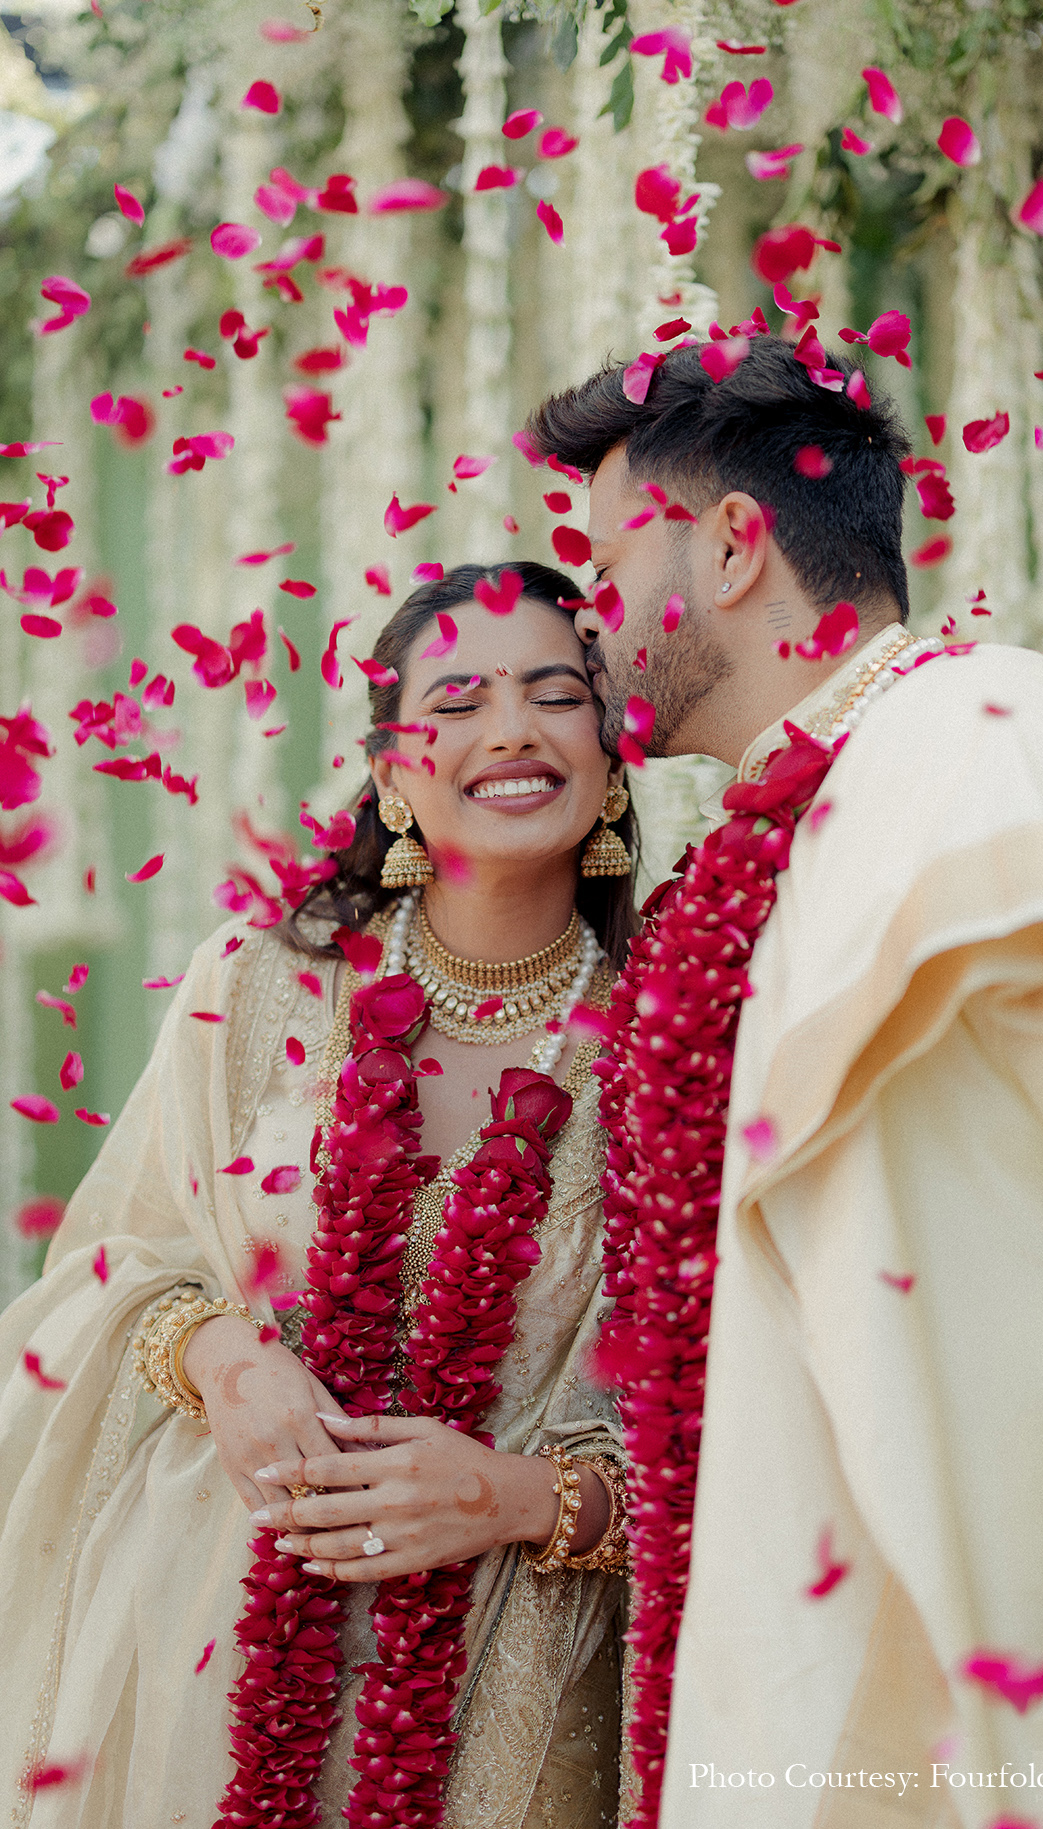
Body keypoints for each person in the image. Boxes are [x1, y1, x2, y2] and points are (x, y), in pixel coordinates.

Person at [528, 339, 1043, 1829]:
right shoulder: (789, 832)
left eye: (604, 566)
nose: (591, 621)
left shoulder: (994, 752)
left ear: (730, 543)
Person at [0, 562, 638, 1829]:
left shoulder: (672, 1044)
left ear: (612, 762)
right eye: (455, 701)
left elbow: (738, 1421)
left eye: (554, 693)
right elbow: (112, 1263)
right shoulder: (255, 987)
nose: (510, 728)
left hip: (515, 1685)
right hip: (209, 1646)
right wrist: (221, 1356)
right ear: (393, 774)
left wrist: (516, 1497)